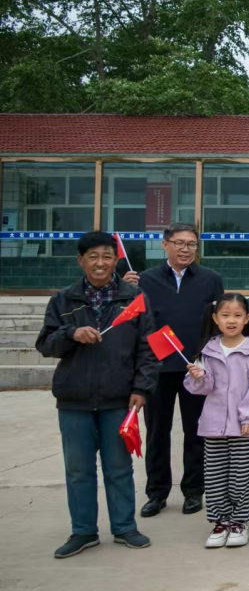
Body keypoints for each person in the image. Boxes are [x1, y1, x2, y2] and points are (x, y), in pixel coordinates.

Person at [37, 231, 158, 559]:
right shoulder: (64, 299)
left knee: (119, 467)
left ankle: (125, 527)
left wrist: (141, 388)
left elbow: (148, 348)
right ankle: (83, 531)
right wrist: (71, 333)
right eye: (93, 257)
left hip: (119, 399)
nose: (100, 263)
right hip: (74, 400)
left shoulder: (134, 297)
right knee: (78, 470)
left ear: (116, 259)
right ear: (81, 260)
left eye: (107, 256)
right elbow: (45, 344)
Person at [124, 222, 224, 519]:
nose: (185, 249)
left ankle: (194, 490)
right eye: (179, 243)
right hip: (157, 368)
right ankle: (156, 493)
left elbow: (217, 324)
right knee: (157, 432)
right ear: (164, 244)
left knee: (196, 432)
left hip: (196, 367)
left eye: (191, 244)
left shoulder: (210, 279)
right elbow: (132, 323)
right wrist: (125, 290)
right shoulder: (144, 280)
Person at [183, 293, 249, 548]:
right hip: (213, 425)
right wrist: (198, 376)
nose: (231, 320)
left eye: (237, 315)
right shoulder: (207, 351)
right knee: (215, 476)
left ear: (247, 319)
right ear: (215, 318)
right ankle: (221, 522)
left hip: (245, 426)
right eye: (225, 315)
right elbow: (201, 389)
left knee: (243, 477)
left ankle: (239, 522)